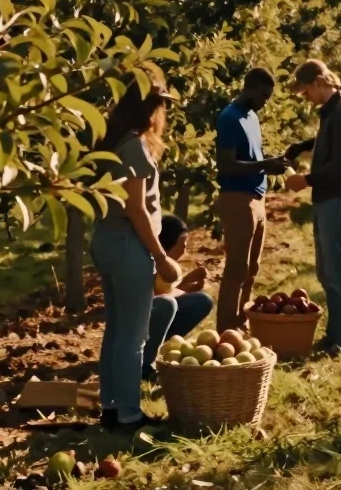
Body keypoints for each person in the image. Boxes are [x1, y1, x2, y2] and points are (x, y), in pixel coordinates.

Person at [92, 70, 179, 430]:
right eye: (159, 104)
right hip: (129, 244)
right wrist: (161, 256)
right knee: (133, 335)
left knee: (116, 329)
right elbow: (136, 207)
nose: (162, 112)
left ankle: (110, 406)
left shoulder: (109, 139)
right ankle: (129, 414)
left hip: (106, 238)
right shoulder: (136, 145)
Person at [285, 59, 341, 355]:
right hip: (328, 198)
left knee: (337, 269)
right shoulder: (332, 111)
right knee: (327, 271)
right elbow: (327, 142)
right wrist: (301, 147)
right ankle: (336, 334)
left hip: (339, 198)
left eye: (306, 91)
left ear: (320, 82)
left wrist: (304, 180)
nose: (305, 97)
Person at [215, 68, 289, 332]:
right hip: (237, 198)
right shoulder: (230, 118)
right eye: (264, 95)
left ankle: (240, 322)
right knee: (236, 268)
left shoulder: (252, 117)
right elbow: (226, 164)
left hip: (258, 198)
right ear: (250, 88)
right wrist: (264, 165)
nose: (265, 101)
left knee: (252, 267)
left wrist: (270, 162)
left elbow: (251, 157)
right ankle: (226, 330)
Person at [142, 214, 213, 380]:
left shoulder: (168, 267)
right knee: (167, 305)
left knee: (202, 301)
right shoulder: (149, 264)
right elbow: (154, 300)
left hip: (154, 313)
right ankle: (143, 365)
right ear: (169, 243)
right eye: (183, 243)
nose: (185, 248)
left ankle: (153, 346)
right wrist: (187, 284)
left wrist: (187, 285)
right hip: (138, 319)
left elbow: (165, 294)